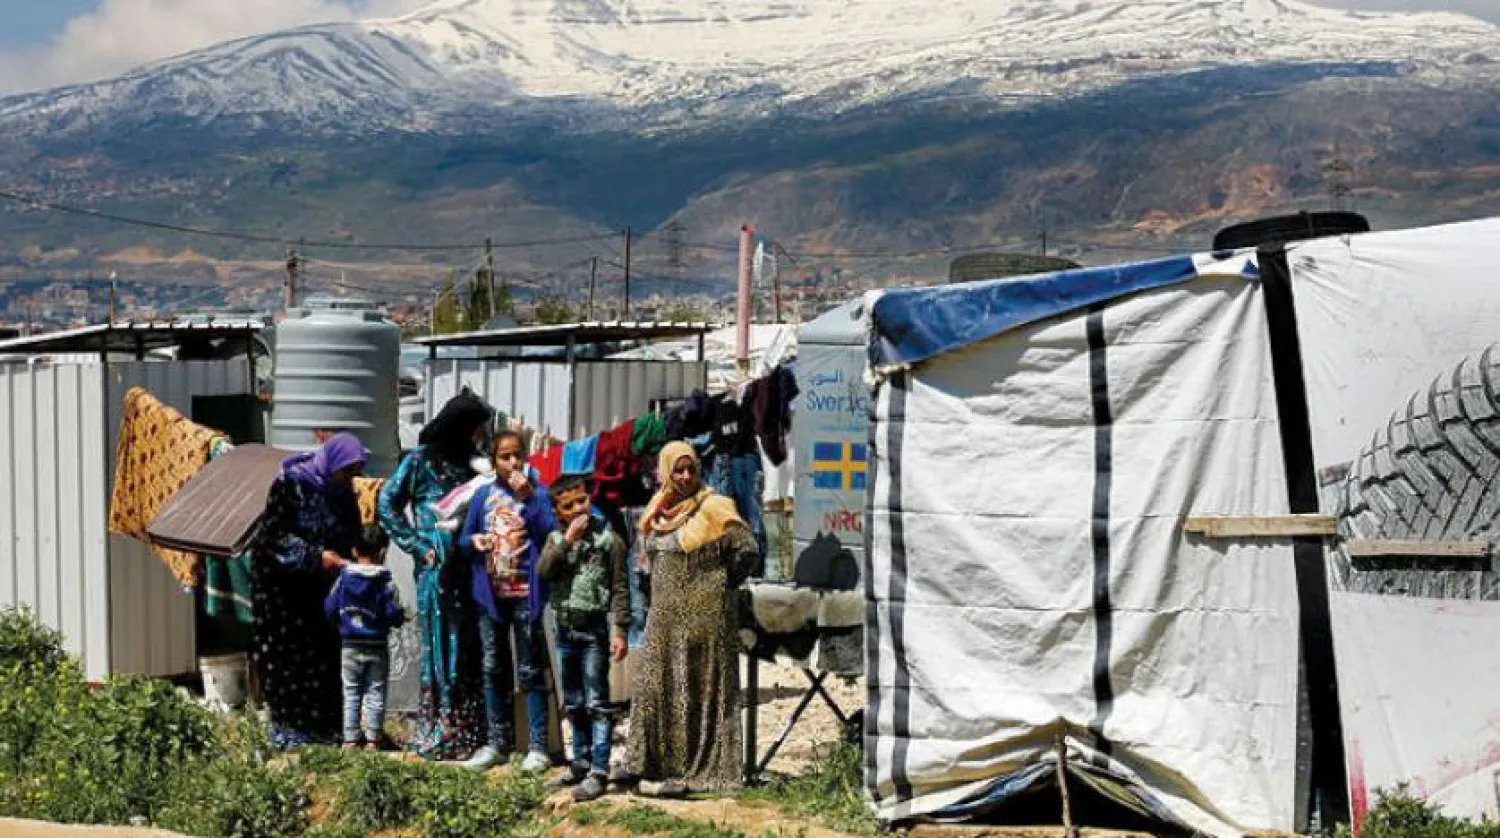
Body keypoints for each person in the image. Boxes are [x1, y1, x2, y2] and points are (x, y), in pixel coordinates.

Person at [626, 441, 759, 796]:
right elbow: (646, 562)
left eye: (691, 469)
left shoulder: (716, 506)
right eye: (678, 469)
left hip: (706, 616)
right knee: (656, 687)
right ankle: (653, 766)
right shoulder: (658, 510)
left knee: (699, 690)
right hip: (664, 617)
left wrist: (720, 583)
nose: (685, 476)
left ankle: (703, 772)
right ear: (666, 471)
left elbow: (748, 550)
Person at [378, 391, 493, 760]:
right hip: (435, 570)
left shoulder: (473, 464)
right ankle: (439, 729)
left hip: (471, 567)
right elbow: (387, 503)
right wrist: (416, 543)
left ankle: (469, 730)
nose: (478, 436)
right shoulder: (419, 461)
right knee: (442, 645)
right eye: (475, 429)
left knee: (470, 647)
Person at [251, 432, 367, 748]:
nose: (350, 479)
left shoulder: (343, 492)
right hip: (283, 590)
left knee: (323, 655)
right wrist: (316, 557)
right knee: (290, 657)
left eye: (355, 472)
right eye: (347, 471)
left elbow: (352, 530)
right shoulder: (291, 484)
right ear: (332, 463)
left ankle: (324, 727)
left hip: (321, 588)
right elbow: (271, 538)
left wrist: (361, 551)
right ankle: (288, 728)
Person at [457, 429, 557, 772]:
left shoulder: (537, 494)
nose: (513, 462)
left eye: (518, 455)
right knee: (492, 666)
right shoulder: (483, 495)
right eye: (505, 457)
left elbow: (550, 533)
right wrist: (476, 541)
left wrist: (530, 498)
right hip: (491, 597)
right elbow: (463, 541)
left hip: (525, 595)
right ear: (494, 461)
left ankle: (539, 746)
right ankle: (497, 743)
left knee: (530, 667)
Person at [537, 475, 629, 802]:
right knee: (574, 702)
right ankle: (580, 761)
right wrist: (567, 543)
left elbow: (620, 588)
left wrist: (620, 630)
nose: (578, 509)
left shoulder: (609, 541)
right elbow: (543, 571)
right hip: (565, 629)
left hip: (593, 630)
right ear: (558, 511)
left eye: (582, 501)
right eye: (569, 505)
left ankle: (599, 769)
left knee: (596, 702)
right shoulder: (554, 539)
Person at [325, 525, 407, 751]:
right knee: (375, 691)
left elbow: (329, 607)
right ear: (382, 553)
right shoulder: (385, 582)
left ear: (353, 551)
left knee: (351, 692)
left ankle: (350, 739)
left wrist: (342, 623)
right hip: (377, 646)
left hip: (349, 646)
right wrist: (401, 617)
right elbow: (393, 612)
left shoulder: (344, 579)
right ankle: (373, 739)